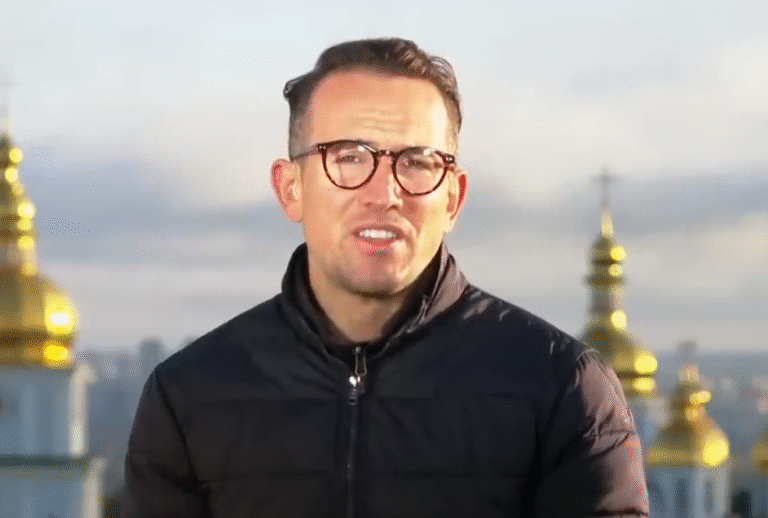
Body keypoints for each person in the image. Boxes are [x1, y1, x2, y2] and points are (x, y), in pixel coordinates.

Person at [123, 38, 650, 518]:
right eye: (349, 158)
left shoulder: (563, 391)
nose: (384, 194)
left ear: (453, 198)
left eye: (417, 162)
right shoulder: (191, 397)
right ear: (290, 188)